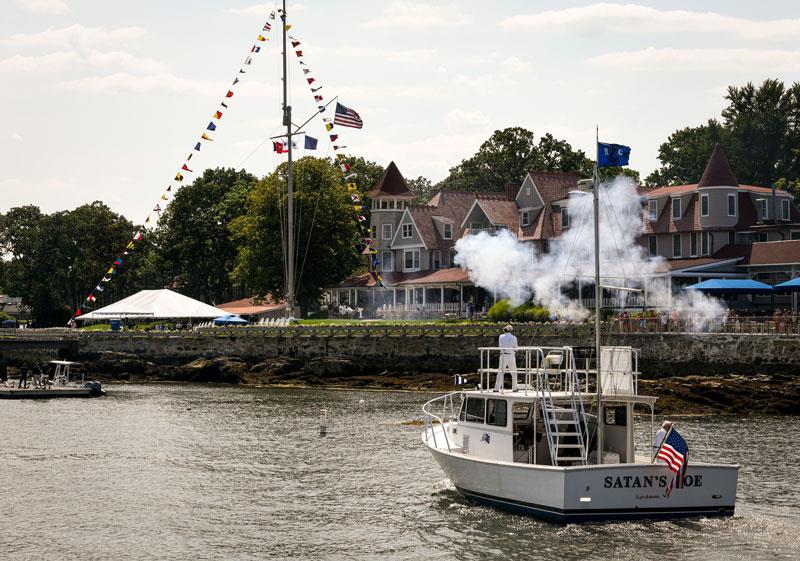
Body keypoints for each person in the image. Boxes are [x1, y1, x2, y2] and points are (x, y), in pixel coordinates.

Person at [495, 325, 519, 392]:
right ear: (511, 330)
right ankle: (514, 388)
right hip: (511, 355)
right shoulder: (514, 337)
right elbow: (516, 348)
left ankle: (496, 388)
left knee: (500, 372)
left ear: (504, 330)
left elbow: (500, 345)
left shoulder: (501, 337)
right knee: (514, 372)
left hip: (503, 355)